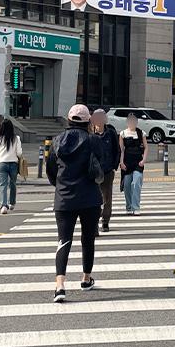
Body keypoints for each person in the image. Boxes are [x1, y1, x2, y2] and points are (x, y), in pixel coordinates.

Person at [46, 104, 104, 303]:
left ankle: (60, 285)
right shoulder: (93, 140)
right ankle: (86, 279)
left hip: (64, 198)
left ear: (69, 119)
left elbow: (51, 170)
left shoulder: (57, 141)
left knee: (64, 240)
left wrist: (61, 185)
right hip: (90, 197)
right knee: (88, 239)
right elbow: (102, 164)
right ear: (88, 121)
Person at [90, 108, 121, 232]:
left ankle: (105, 221)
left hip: (107, 170)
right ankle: (94, 222)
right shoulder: (90, 134)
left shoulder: (111, 133)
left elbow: (117, 150)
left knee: (107, 198)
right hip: (93, 172)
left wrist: (114, 165)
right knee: (93, 198)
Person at [0, 118, 23, 214]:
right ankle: (12, 203)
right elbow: (19, 153)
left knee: (2, 185)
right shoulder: (16, 138)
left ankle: (3, 206)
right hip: (13, 164)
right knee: (12, 184)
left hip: (2, 164)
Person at [119, 112, 147, 214]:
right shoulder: (123, 133)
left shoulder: (141, 133)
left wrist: (144, 160)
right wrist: (121, 162)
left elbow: (146, 147)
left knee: (136, 182)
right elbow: (121, 149)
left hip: (138, 162)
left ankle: (136, 207)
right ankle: (129, 206)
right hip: (127, 162)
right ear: (127, 122)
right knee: (127, 185)